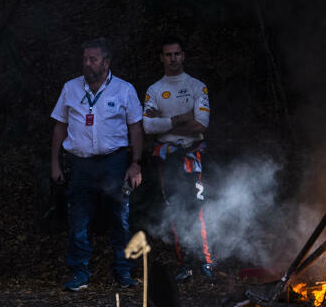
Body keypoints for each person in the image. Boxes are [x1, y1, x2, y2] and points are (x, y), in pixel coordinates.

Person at [50, 38, 144, 291]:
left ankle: (124, 272)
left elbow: (136, 128)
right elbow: (60, 127)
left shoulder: (124, 90)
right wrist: (55, 163)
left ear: (106, 62)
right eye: (85, 59)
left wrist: (135, 163)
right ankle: (79, 272)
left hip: (114, 162)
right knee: (78, 219)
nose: (87, 63)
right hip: (79, 164)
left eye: (92, 59)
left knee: (119, 218)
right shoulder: (70, 88)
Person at [142, 36, 214, 282]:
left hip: (191, 156)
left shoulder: (197, 86)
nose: (172, 58)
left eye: (176, 54)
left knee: (197, 208)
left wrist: (166, 126)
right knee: (174, 210)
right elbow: (148, 127)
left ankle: (205, 262)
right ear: (161, 58)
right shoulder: (154, 90)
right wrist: (180, 119)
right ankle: (184, 264)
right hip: (167, 159)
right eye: (168, 55)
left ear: (183, 56)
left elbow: (200, 124)